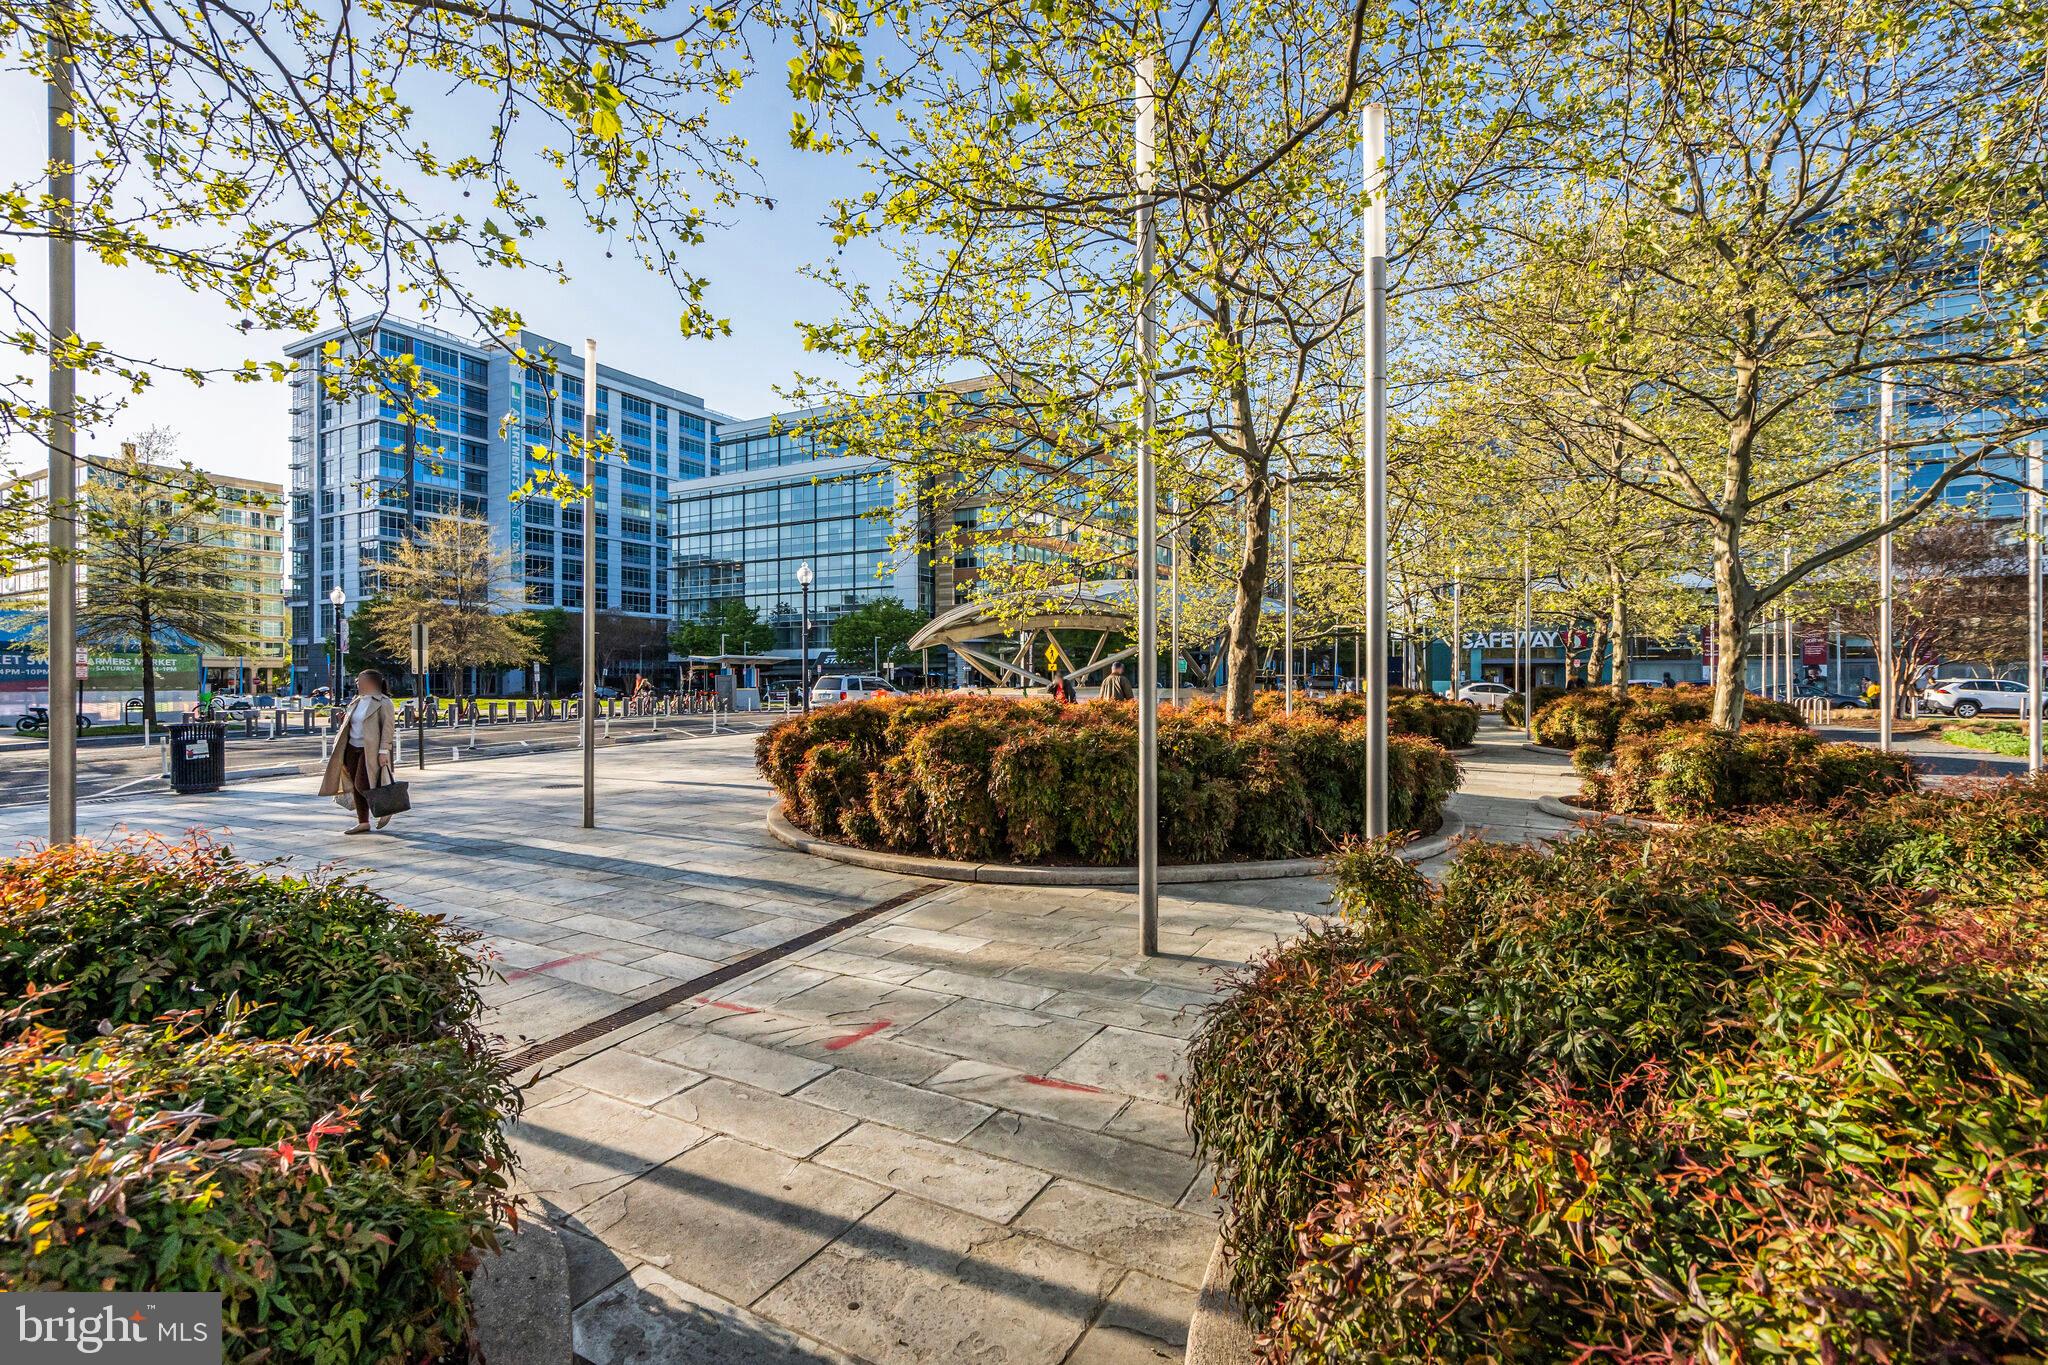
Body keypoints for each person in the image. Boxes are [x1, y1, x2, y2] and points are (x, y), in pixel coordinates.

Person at [317, 668, 398, 834]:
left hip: (370, 750)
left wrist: (384, 751)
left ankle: (386, 807)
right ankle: (363, 822)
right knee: (355, 785)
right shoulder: (356, 701)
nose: (357, 684)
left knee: (362, 784)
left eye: (360, 681)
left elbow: (388, 729)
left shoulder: (384, 702)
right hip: (350, 747)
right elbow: (352, 723)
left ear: (372, 683)